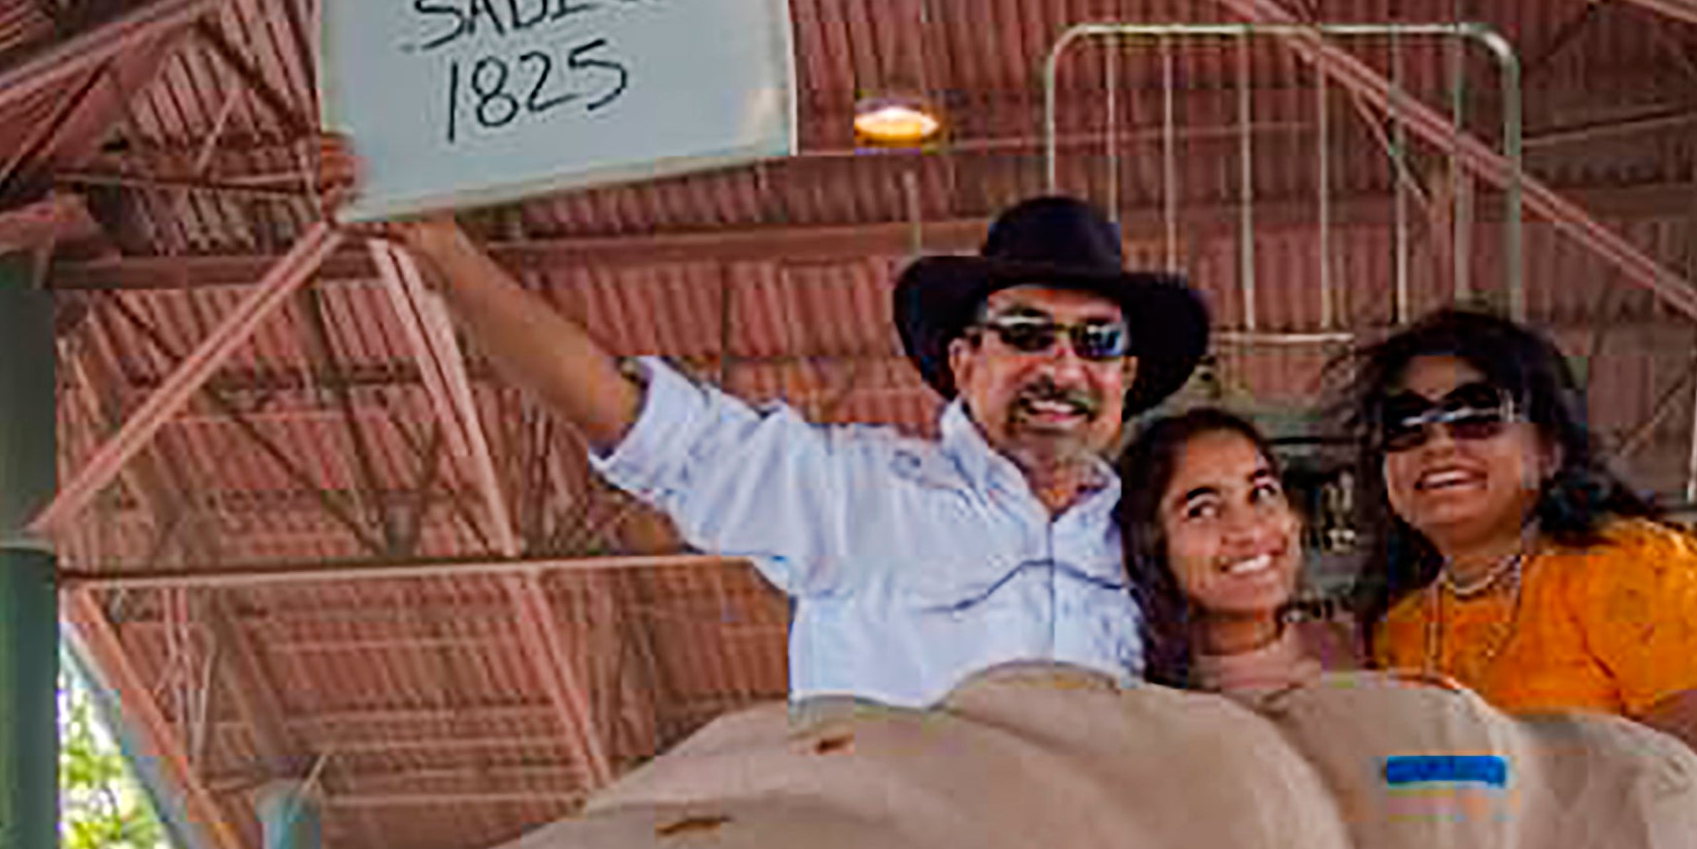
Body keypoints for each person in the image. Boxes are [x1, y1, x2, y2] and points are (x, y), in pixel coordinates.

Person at [366, 168, 1210, 703]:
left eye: (1096, 341)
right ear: (964, 360)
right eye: (1027, 332)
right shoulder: (860, 496)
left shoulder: (1154, 540)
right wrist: (440, 249)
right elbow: (643, 428)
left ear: (1126, 377)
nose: (1062, 366)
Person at [1339, 306, 1697, 824]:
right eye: (1406, 424)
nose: (1439, 443)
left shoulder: (1636, 571)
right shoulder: (1399, 629)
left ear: (1550, 450)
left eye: (1477, 414)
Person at [1113, 408, 1353, 704]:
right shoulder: (1140, 702)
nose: (1249, 530)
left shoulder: (1368, 650)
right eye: (1203, 509)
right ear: (1152, 543)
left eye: (1262, 492)